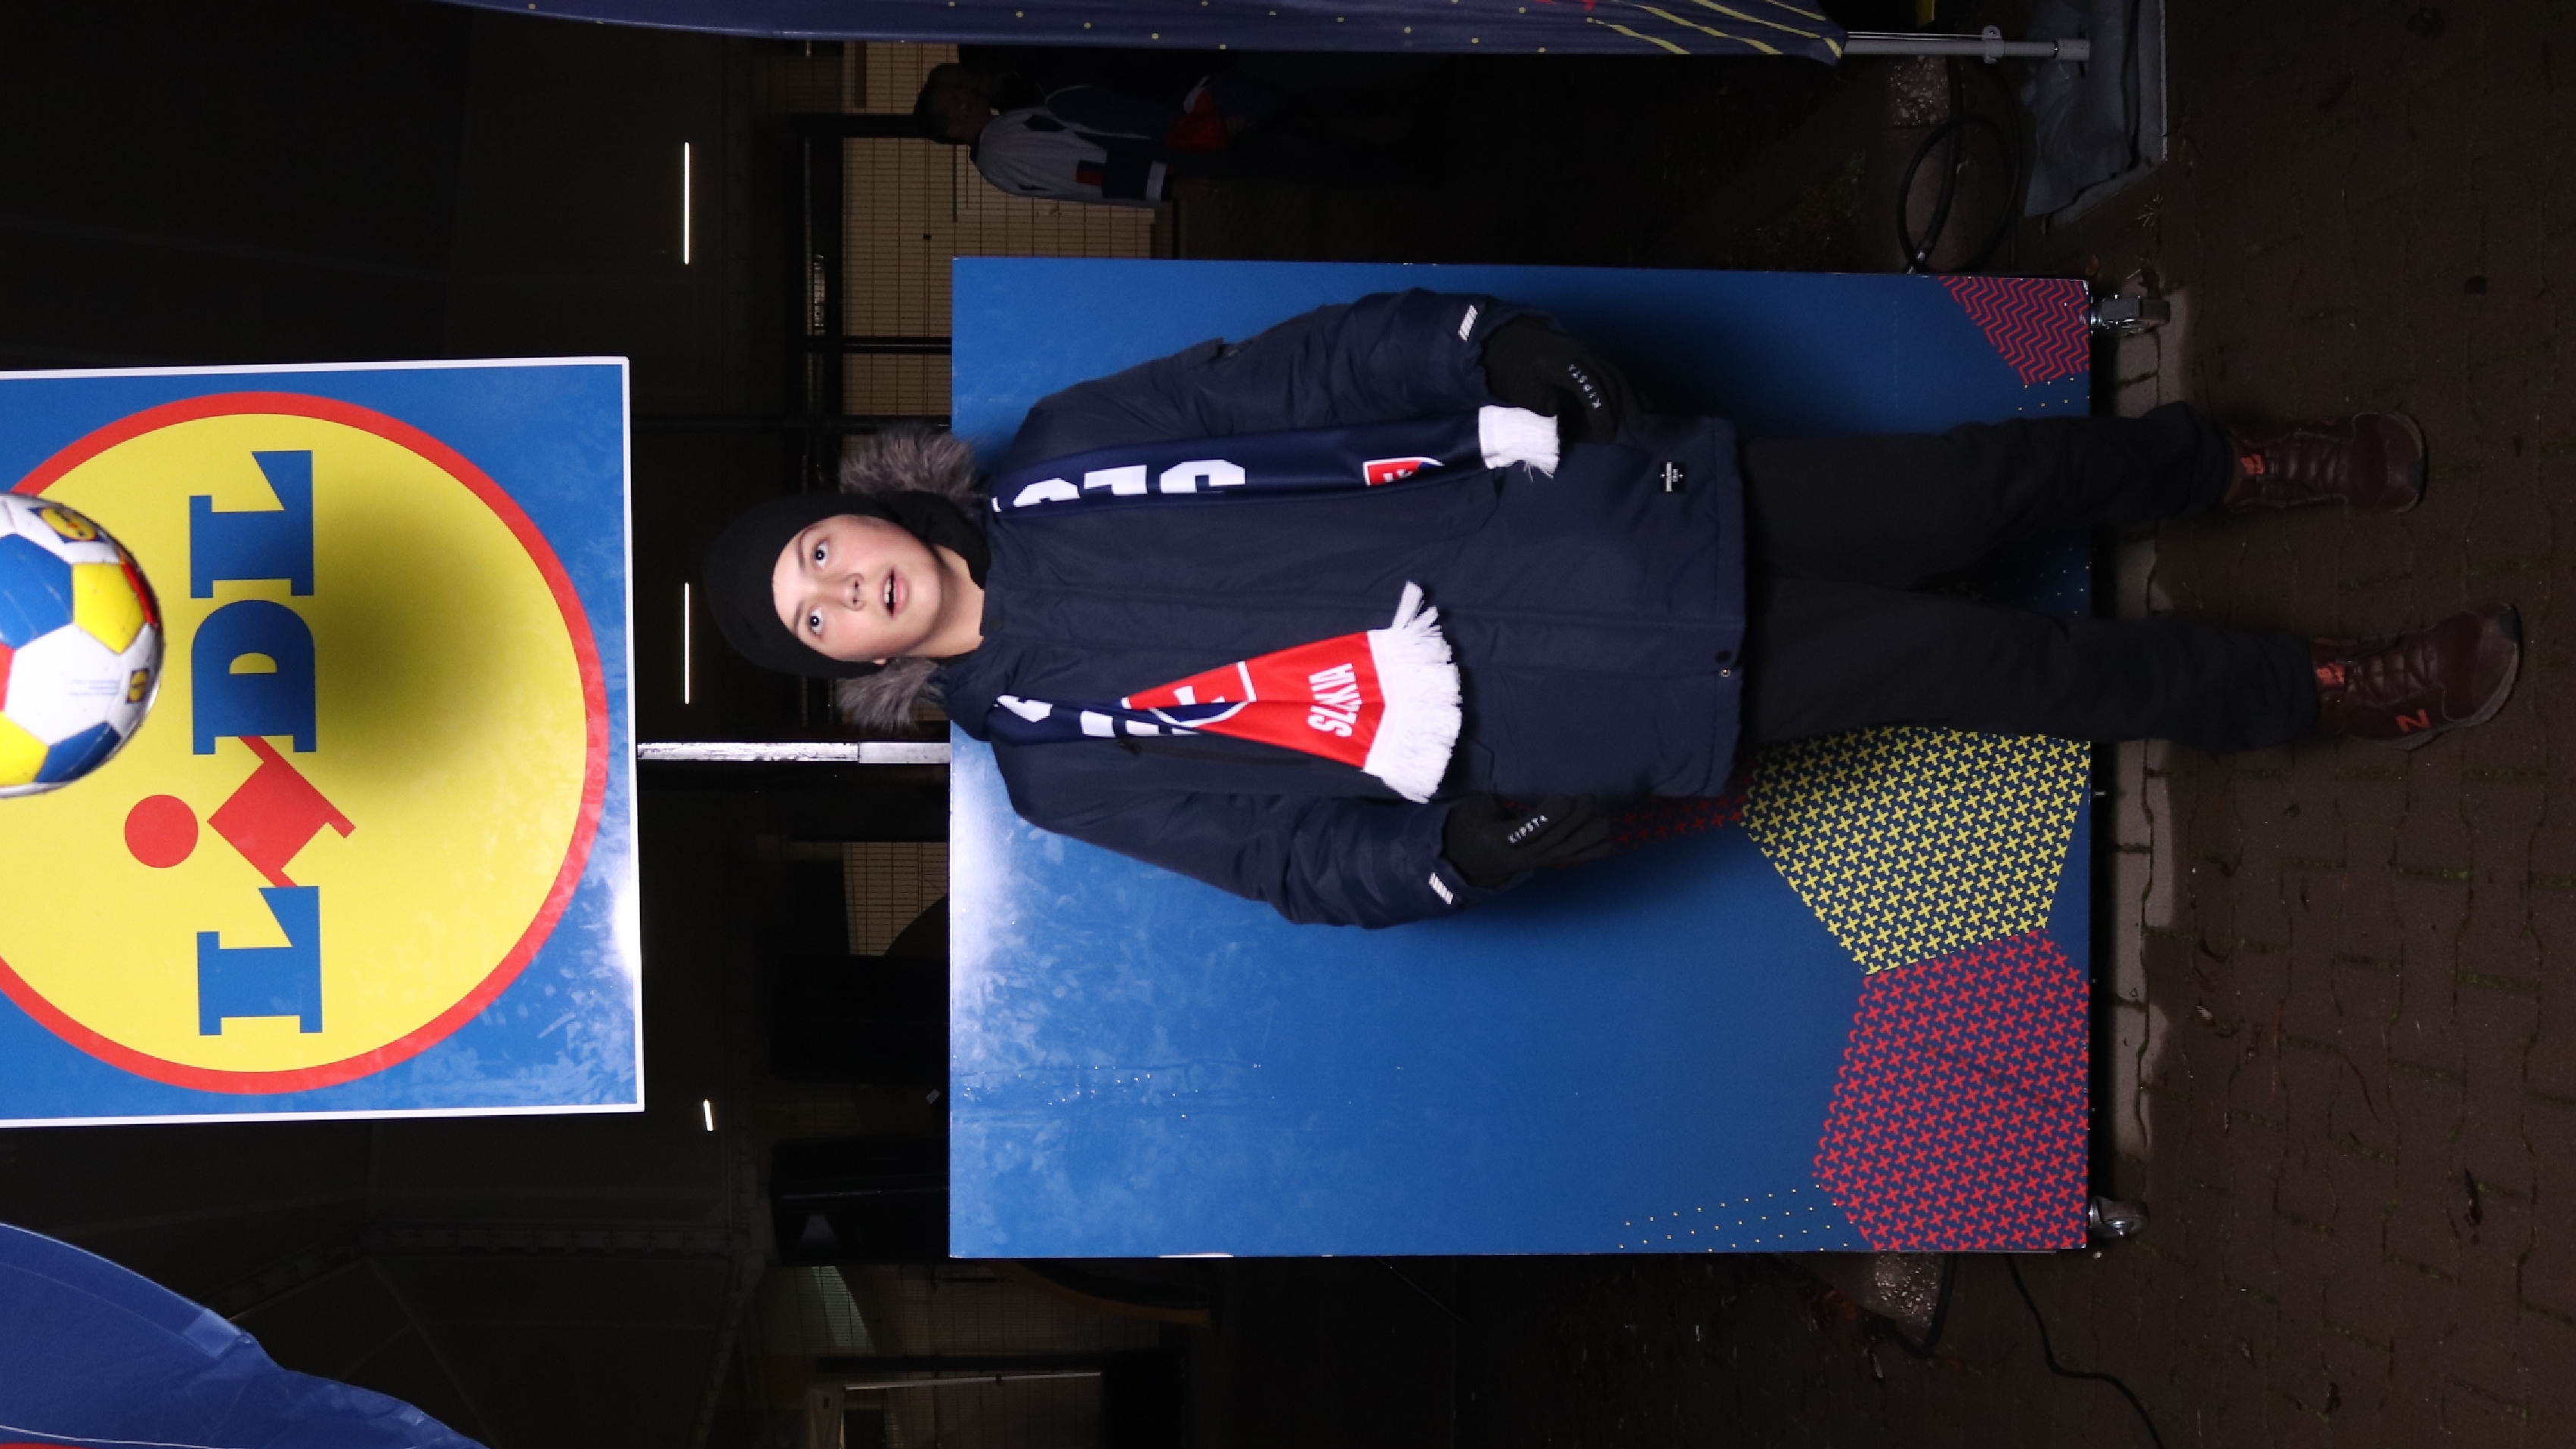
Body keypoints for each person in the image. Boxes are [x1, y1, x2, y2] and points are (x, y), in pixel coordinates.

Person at [702, 290, 2520, 929]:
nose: (846, 584)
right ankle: (2323, 687)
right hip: (1632, 698)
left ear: (862, 501)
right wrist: (1454, 859)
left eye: (821, 550)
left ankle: (2237, 463)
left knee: (1989, 482)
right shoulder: (1059, 767)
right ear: (851, 667)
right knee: (2020, 671)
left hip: (1621, 512)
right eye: (820, 615)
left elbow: (1302, 372)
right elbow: (1289, 861)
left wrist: (1486, 345)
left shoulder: (1076, 451)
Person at [913, 63, 1401, 206]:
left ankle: (1391, 162)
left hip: (1165, 154)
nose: (963, 95)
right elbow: (1085, 171)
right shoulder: (1004, 143)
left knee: (1287, 150)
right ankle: (1398, 166)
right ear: (952, 128)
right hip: (1166, 151)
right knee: (1288, 152)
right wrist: (1165, 185)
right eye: (952, 100)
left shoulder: (999, 149)